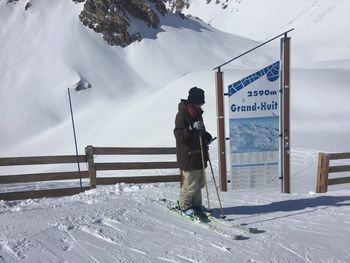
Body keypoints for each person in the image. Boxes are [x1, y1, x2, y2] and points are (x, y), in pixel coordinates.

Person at [173, 87, 212, 216]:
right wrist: (190, 129)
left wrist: (206, 136)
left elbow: (200, 131)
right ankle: (184, 205)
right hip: (188, 155)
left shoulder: (198, 113)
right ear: (192, 101)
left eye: (201, 103)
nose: (200, 105)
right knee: (190, 184)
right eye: (198, 103)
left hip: (199, 155)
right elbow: (178, 135)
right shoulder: (182, 114)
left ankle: (196, 205)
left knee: (199, 183)